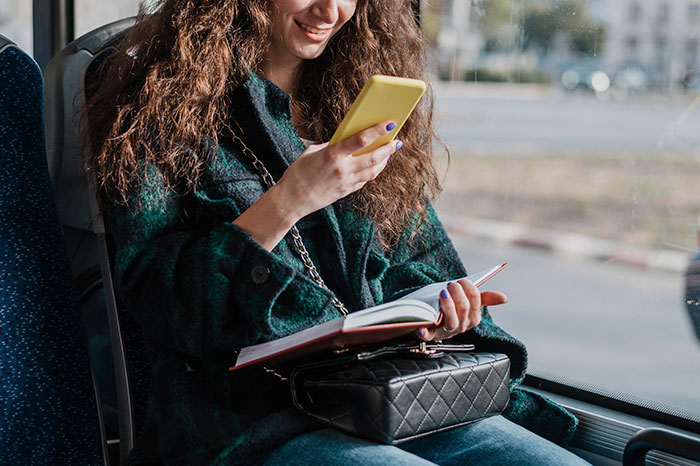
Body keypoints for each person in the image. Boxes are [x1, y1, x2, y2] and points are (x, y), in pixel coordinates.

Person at [85, 0, 590, 465]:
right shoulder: (158, 112)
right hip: (255, 421)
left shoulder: (358, 103)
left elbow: (419, 262)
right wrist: (289, 200)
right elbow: (158, 298)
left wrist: (437, 316)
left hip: (392, 397)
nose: (330, 10)